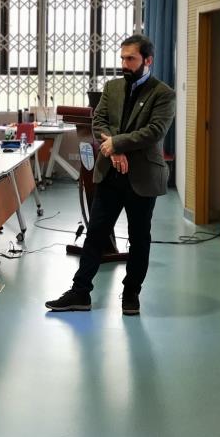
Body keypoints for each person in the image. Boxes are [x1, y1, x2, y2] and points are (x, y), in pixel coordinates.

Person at [46, 35, 175, 317]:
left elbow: (154, 131)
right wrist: (114, 151)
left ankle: (131, 293)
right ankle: (80, 292)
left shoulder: (163, 94)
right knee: (95, 235)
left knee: (139, 238)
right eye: (122, 58)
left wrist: (116, 144)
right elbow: (99, 121)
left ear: (148, 60)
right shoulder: (112, 87)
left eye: (131, 59)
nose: (124, 64)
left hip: (142, 177)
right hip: (110, 174)